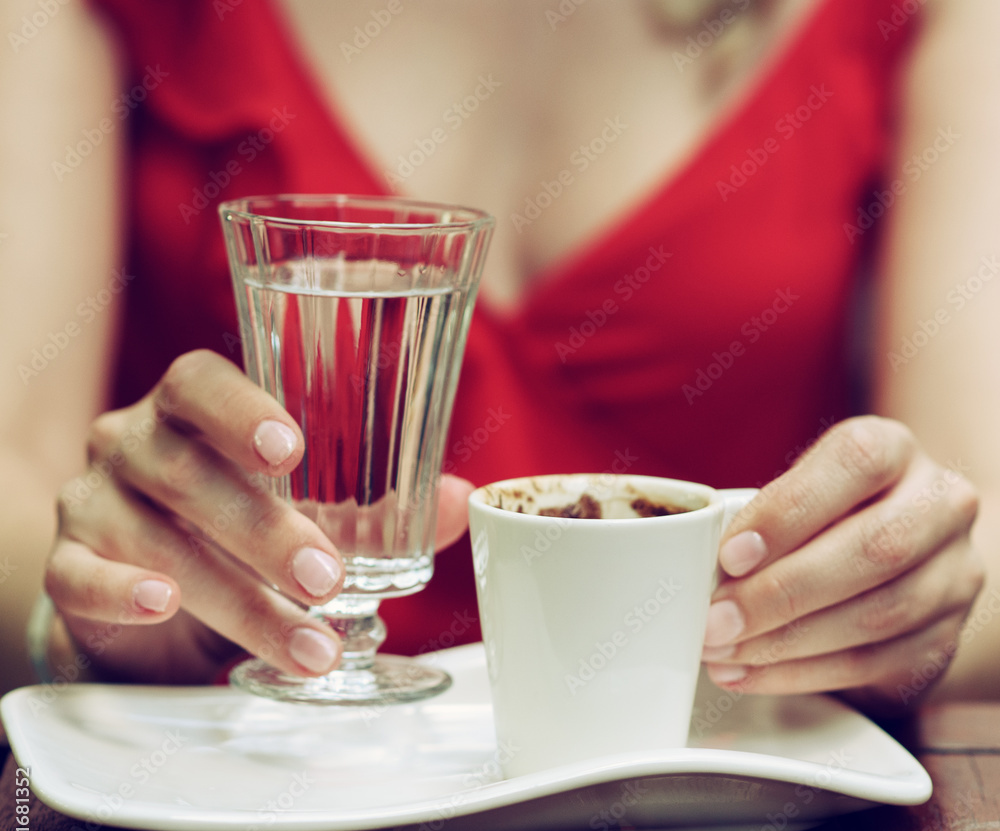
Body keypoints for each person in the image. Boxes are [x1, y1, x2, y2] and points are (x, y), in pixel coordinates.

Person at [2, 0, 997, 716]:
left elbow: (975, 518)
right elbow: (20, 480)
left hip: (703, 818)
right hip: (246, 803)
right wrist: (102, 618)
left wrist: (887, 620)